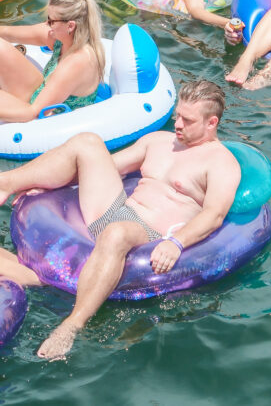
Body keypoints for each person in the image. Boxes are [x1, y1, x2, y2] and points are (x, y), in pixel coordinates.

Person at [0, 79, 240, 360]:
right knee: (88, 143)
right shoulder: (159, 142)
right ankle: (6, 182)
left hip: (148, 235)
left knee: (117, 232)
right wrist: (49, 185)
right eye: (177, 116)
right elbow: (105, 167)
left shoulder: (221, 163)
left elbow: (215, 215)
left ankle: (71, 325)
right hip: (117, 211)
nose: (177, 125)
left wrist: (176, 243)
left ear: (212, 123)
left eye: (187, 120)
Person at [0, 0, 104, 123]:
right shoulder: (61, 39)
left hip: (50, 117)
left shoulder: (77, 62)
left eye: (51, 21)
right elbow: (7, 33)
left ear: (70, 26)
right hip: (39, 94)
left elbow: (34, 113)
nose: (46, 24)